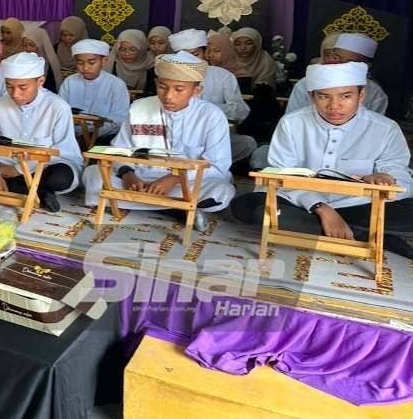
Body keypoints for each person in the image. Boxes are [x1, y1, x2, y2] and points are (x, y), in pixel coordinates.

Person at [232, 62, 413, 258]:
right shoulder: (292, 124)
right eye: (324, 96)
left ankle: (335, 228)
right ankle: (364, 234)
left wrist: (386, 177)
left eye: (346, 96)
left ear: (361, 96)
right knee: (250, 206)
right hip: (300, 202)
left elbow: (399, 173)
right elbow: (280, 174)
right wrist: (321, 207)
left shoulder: (385, 128)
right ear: (312, 97)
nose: (334, 106)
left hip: (359, 205)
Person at [83, 52, 235, 229]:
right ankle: (179, 209)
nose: (169, 96)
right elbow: (119, 149)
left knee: (221, 191)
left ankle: (137, 203)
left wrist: (174, 179)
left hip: (187, 182)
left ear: (196, 91)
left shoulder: (212, 116)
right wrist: (127, 174)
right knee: (93, 174)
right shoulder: (139, 107)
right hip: (140, 177)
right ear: (156, 83)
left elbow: (218, 165)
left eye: (179, 89)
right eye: (163, 87)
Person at [0, 52, 83, 213]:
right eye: (9, 86)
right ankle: (38, 191)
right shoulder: (1, 104)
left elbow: (62, 151)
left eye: (22, 87)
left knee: (61, 177)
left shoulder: (58, 107)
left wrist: (17, 170)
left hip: (44, 166)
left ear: (40, 81)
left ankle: (25, 187)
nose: (15, 94)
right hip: (6, 163)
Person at [170, 29, 255, 163]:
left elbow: (240, 110)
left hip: (215, 135)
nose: (189, 60)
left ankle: (210, 168)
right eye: (183, 56)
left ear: (205, 53)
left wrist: (205, 109)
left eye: (195, 54)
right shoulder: (168, 77)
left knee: (247, 143)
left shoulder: (223, 76)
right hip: (176, 134)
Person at [286, 33, 388, 114]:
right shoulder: (305, 84)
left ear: (365, 66)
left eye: (349, 62)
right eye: (336, 57)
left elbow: (374, 130)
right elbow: (291, 122)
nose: (340, 64)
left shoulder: (375, 94)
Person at [58, 39, 129, 141]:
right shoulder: (69, 82)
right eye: (80, 63)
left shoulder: (116, 85)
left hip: (104, 138)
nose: (85, 68)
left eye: (91, 63)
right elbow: (60, 112)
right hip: (69, 136)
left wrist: (90, 133)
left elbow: (118, 120)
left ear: (103, 61)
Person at [21, 26, 62, 92]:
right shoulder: (20, 62)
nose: (28, 48)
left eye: (32, 45)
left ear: (40, 44)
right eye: (24, 45)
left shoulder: (50, 67)